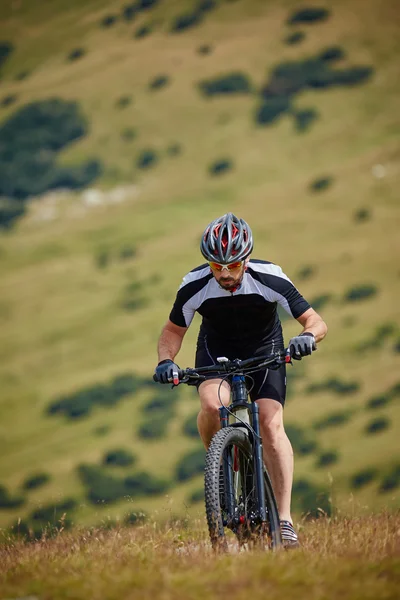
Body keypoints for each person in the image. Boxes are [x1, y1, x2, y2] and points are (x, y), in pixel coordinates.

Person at [154, 213, 327, 548]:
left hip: (265, 349)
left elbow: (315, 321)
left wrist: (308, 336)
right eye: (216, 266)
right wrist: (165, 361)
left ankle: (286, 519)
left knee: (270, 423)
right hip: (215, 350)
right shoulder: (193, 284)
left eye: (232, 265)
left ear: (245, 259)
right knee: (209, 403)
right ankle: (218, 463)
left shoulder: (270, 277)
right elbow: (173, 331)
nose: (225, 274)